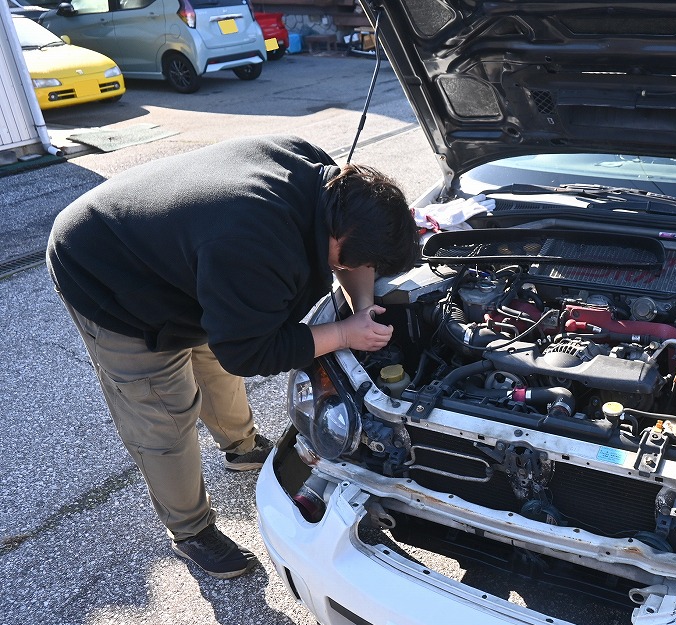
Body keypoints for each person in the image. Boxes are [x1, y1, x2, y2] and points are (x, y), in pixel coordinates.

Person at [46, 135, 418, 579]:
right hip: (104, 268)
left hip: (183, 250)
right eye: (353, 263)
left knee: (213, 361)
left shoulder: (333, 184)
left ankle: (240, 447)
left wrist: (361, 310)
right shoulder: (253, 244)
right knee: (163, 411)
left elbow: (348, 261)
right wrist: (341, 333)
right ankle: (191, 531)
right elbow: (250, 352)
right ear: (338, 239)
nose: (353, 270)